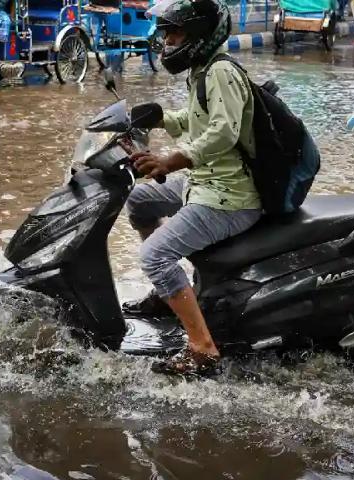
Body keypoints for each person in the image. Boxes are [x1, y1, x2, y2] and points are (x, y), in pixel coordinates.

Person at [126, 0, 260, 377]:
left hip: (228, 196)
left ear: (201, 33)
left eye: (175, 32)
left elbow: (223, 132)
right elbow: (197, 118)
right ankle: (169, 291)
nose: (168, 40)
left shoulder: (221, 72)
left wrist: (172, 160)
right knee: (139, 199)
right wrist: (160, 118)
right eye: (166, 32)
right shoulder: (202, 72)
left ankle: (202, 347)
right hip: (206, 181)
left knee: (154, 256)